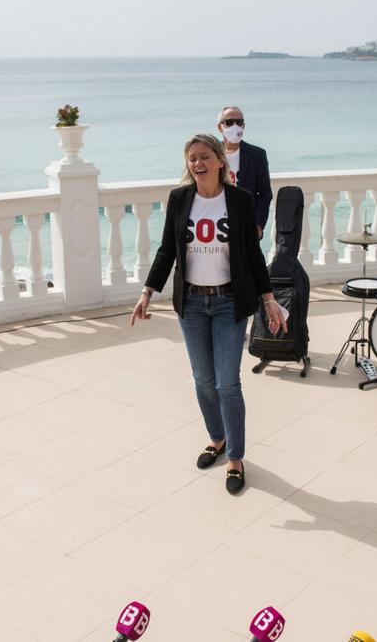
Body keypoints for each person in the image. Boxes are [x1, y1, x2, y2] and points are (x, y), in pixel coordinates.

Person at [130, 134, 287, 494]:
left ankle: (234, 457)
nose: (197, 163)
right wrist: (147, 291)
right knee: (202, 380)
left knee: (227, 383)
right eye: (191, 158)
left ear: (220, 160)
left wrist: (269, 299)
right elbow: (167, 250)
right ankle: (216, 439)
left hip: (230, 303)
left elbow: (253, 255)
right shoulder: (180, 198)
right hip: (193, 305)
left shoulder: (240, 201)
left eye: (204, 156)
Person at [217, 106, 273, 237]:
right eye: (230, 122)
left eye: (239, 122)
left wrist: (258, 225)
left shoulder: (257, 155)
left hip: (246, 225)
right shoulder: (212, 153)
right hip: (217, 222)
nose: (235, 126)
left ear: (244, 125)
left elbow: (265, 194)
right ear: (220, 127)